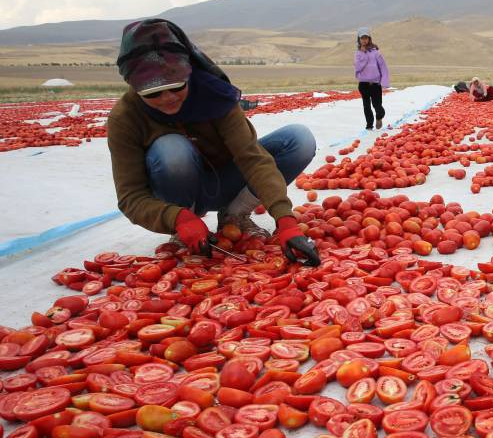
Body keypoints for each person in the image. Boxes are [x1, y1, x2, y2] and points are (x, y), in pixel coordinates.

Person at [106, 18, 321, 266]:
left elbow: (252, 158)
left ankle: (235, 215)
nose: (167, 98)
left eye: (177, 87)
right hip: (179, 191)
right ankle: (185, 227)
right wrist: (177, 217)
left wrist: (285, 220)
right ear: (134, 87)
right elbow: (130, 196)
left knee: (299, 139)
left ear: (189, 72)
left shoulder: (214, 96)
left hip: (226, 181)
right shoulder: (125, 118)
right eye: (152, 93)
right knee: (171, 149)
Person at [354, 26, 390, 130]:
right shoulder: (358, 54)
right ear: (359, 40)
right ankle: (369, 125)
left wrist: (384, 82)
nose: (364, 40)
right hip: (363, 84)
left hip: (375, 84)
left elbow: (383, 67)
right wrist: (364, 54)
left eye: (366, 38)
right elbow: (358, 67)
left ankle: (379, 116)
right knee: (366, 106)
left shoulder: (376, 53)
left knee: (377, 106)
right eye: (362, 38)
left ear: (369, 39)